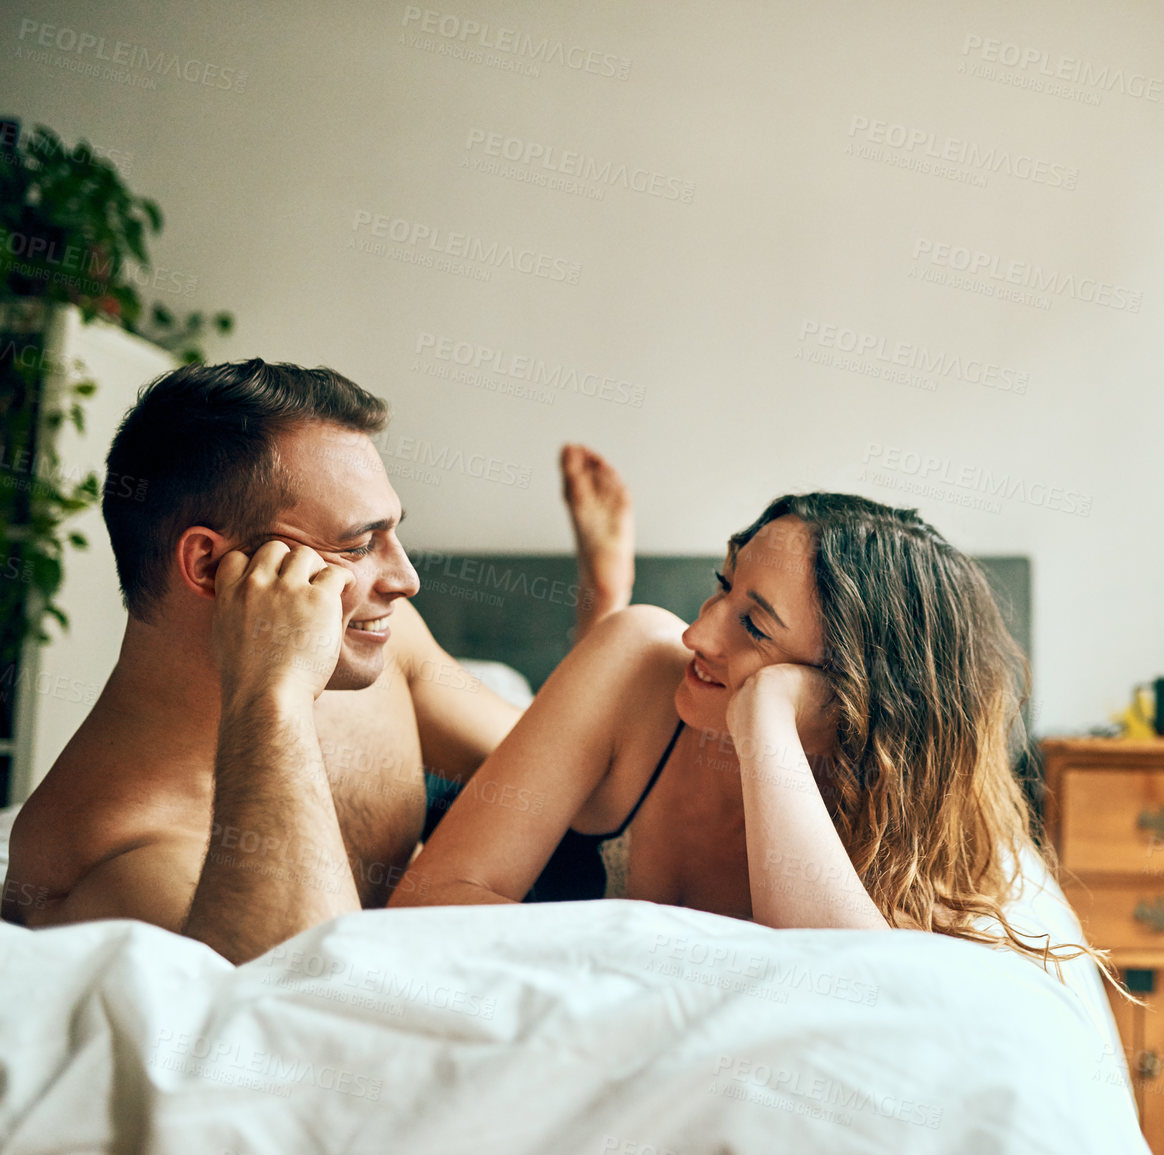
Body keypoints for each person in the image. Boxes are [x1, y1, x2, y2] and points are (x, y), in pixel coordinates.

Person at [0, 360, 636, 963]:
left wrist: (607, 622)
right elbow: (298, 1002)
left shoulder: (375, 641)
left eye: (392, 534)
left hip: (451, 862)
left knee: (645, 650)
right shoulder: (112, 852)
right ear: (208, 567)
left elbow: (575, 781)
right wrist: (272, 690)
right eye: (360, 545)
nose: (407, 580)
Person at [393, 493, 1098, 974]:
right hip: (462, 804)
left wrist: (765, 716)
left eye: (754, 625)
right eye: (721, 583)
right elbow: (424, 909)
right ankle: (597, 598)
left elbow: (857, 981)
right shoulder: (645, 653)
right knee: (407, 664)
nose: (697, 629)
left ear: (854, 688)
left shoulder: (905, 828)